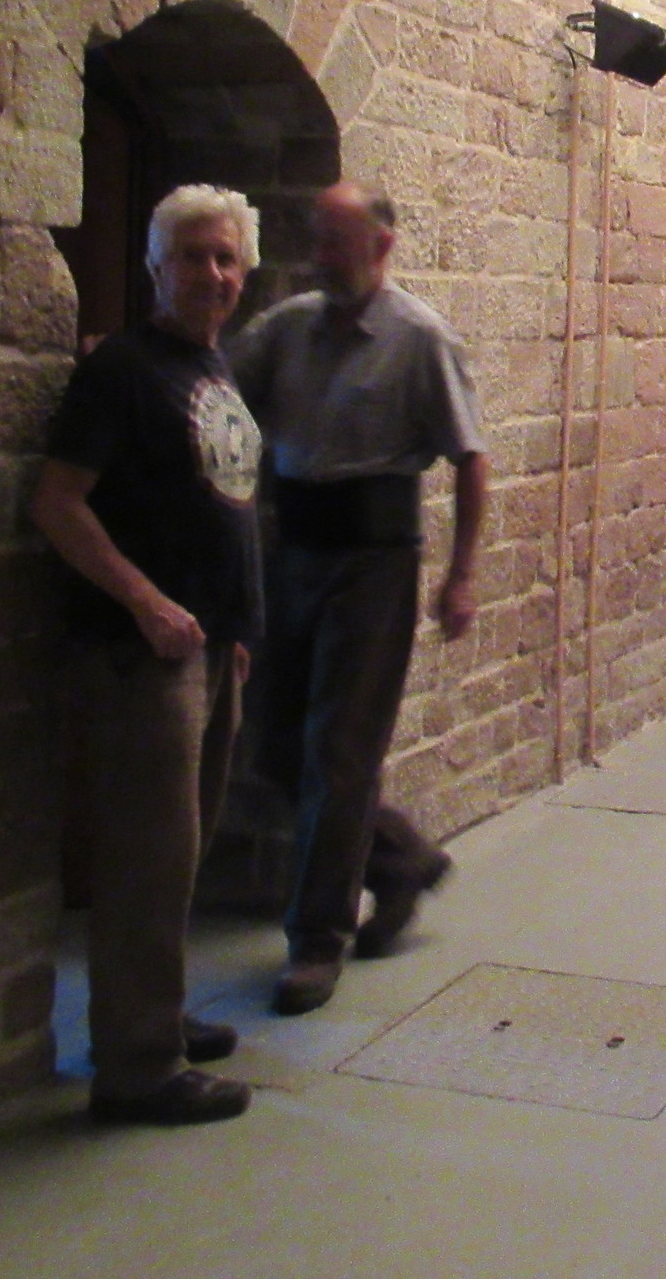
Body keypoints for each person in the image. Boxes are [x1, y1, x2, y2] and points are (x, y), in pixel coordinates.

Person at [30, 185, 266, 1125]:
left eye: (226, 258)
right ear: (156, 266)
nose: (212, 273)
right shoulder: (123, 370)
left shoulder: (210, 365)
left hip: (208, 651)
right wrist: (145, 601)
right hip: (143, 656)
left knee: (181, 851)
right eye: (193, 256)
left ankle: (154, 1015)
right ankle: (135, 1067)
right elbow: (58, 503)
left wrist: (233, 631)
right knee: (145, 859)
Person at [231, 180, 487, 1014]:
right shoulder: (286, 329)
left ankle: (317, 941)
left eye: (337, 242)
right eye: (318, 240)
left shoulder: (420, 338)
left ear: (382, 246)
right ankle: (402, 860)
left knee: (339, 752)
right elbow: (216, 390)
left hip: (374, 562)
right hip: (294, 550)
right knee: (274, 746)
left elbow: (469, 458)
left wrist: (460, 575)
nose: (321, 257)